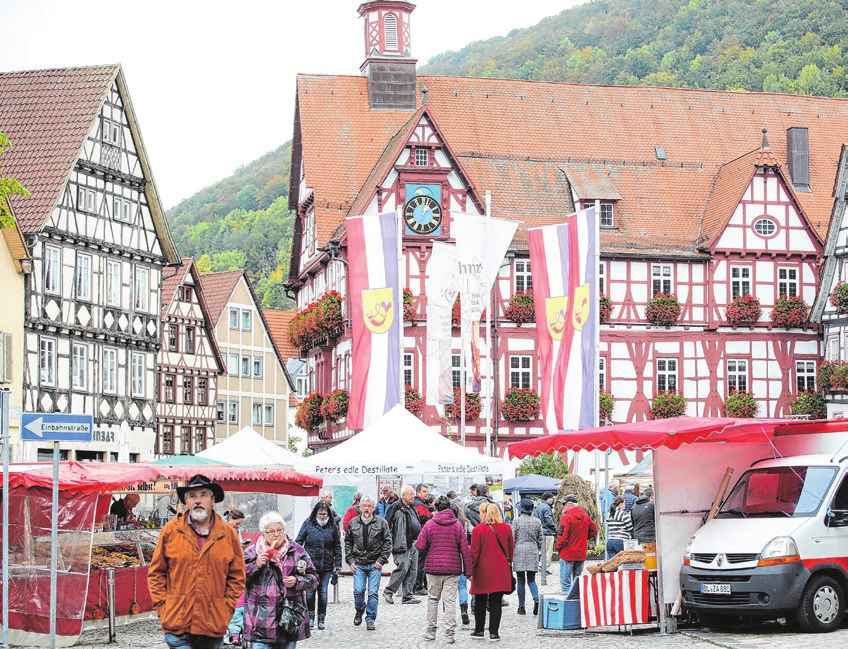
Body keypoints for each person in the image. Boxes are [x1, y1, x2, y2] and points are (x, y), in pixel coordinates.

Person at [148, 474, 245, 649]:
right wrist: (164, 607)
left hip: (212, 623)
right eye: (192, 496)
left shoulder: (228, 534)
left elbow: (237, 576)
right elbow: (156, 574)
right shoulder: (171, 531)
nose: (198, 500)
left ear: (213, 501)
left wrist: (226, 608)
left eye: (203, 495)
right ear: (186, 501)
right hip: (178, 623)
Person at [242, 512, 318, 649]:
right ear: (263, 533)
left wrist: (297, 581)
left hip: (288, 620)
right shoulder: (252, 553)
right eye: (271, 531)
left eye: (279, 530)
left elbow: (313, 578)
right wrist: (256, 566)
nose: (276, 534)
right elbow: (238, 579)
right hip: (260, 622)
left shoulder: (297, 551)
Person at [414, 495, 472, 644]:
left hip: (433, 569)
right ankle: (449, 634)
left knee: (433, 599)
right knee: (450, 601)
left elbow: (419, 546)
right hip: (452, 569)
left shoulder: (429, 524)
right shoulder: (457, 525)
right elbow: (465, 550)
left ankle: (431, 631)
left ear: (436, 508)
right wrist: (468, 572)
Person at [344, 495, 392, 631]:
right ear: (360, 508)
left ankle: (370, 618)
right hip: (358, 562)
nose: (366, 508)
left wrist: (382, 560)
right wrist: (350, 559)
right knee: (358, 591)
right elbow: (348, 542)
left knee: (373, 593)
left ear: (373, 508)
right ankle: (359, 609)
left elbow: (388, 542)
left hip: (374, 564)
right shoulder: (353, 523)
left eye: (369, 506)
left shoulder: (381, 523)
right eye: (364, 506)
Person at [469, 503, 514, 642]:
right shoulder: (506, 528)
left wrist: (470, 570)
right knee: (496, 601)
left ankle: (479, 630)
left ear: (484, 513)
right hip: (500, 569)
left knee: (480, 601)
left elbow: (474, 552)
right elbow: (511, 549)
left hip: (483, 570)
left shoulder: (479, 529)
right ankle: (494, 633)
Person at [295, 501, 342, 631]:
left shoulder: (333, 526)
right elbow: (299, 542)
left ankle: (322, 618)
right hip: (311, 564)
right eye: (320, 514)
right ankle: (310, 617)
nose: (322, 516)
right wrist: (299, 558)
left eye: (324, 514)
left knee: (323, 592)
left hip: (327, 564)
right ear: (315, 513)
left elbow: (337, 546)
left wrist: (338, 563)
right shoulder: (308, 523)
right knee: (310, 593)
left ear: (328, 514)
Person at [383, 485, 422, 605]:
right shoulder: (395, 508)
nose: (413, 496)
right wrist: (389, 543)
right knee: (403, 567)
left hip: (413, 543)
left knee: (412, 570)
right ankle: (388, 591)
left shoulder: (412, 508)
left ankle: (407, 596)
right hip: (400, 543)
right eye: (410, 494)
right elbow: (387, 525)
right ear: (403, 495)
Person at [555, 494, 598, 596]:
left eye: (563, 504)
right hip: (580, 553)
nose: (562, 506)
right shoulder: (585, 517)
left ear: (570, 504)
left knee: (565, 581)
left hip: (567, 553)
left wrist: (558, 547)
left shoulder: (567, 518)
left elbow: (562, 537)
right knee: (577, 580)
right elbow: (594, 531)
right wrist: (583, 538)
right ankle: (577, 601)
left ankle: (567, 603)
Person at [512, 497, 542, 616]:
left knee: (520, 580)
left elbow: (512, 537)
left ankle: (521, 606)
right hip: (532, 550)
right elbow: (540, 538)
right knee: (531, 579)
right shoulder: (537, 521)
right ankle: (536, 598)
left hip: (519, 549)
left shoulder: (516, 521)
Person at [450, 501, 472, 626]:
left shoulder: (446, 523)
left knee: (448, 587)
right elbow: (473, 532)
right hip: (462, 555)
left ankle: (447, 611)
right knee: (462, 586)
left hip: (449, 557)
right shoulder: (465, 522)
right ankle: (464, 609)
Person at [413, 484, 433, 596]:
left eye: (427, 491)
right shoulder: (419, 504)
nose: (426, 493)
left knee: (421, 562)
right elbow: (423, 517)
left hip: (421, 536)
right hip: (421, 537)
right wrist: (432, 516)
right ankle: (418, 586)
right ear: (418, 492)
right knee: (421, 563)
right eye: (424, 491)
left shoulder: (420, 504)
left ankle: (420, 585)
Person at [533, 491, 557, 565]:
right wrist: (554, 527)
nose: (552, 499)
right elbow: (548, 520)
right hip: (547, 532)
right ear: (546, 499)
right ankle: (544, 566)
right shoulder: (547, 507)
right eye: (550, 498)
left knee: (543, 550)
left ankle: (541, 565)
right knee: (548, 551)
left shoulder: (538, 507)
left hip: (540, 531)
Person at [605, 495, 633, 560]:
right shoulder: (623, 514)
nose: (625, 506)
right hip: (620, 541)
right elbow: (630, 528)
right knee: (622, 564)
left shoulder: (609, 515)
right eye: (624, 504)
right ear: (620, 504)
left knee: (612, 565)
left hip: (610, 541)